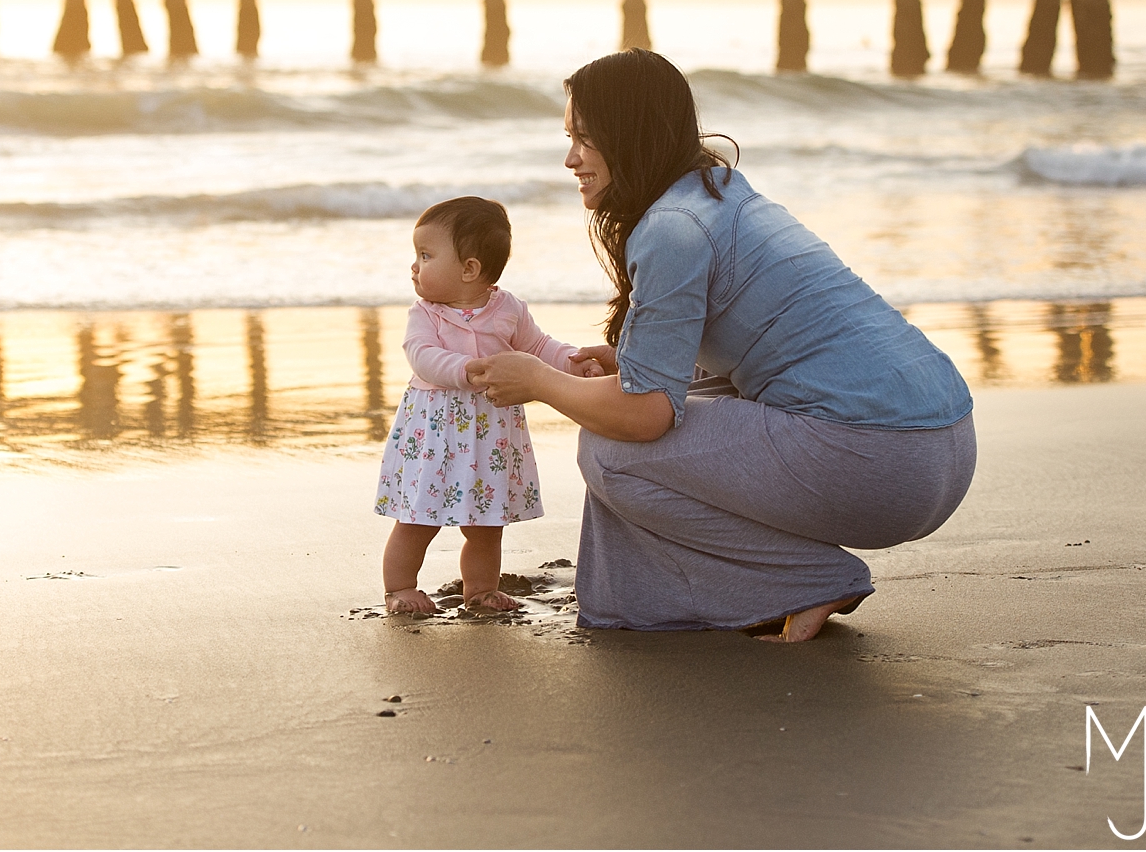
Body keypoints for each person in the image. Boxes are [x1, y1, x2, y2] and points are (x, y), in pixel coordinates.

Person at [465, 50, 976, 642]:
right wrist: (631, 364)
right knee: (666, 397)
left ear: (629, 135)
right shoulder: (720, 190)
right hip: (944, 443)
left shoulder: (672, 228)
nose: (571, 158)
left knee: (609, 449)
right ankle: (656, 596)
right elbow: (750, 354)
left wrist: (540, 380)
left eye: (585, 138)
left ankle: (808, 580)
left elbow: (646, 416)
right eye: (569, 137)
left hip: (882, 460)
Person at [375, 196, 604, 615]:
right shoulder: (425, 313)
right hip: (435, 436)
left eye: (425, 255)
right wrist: (467, 369)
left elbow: (538, 347)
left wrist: (574, 363)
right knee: (417, 519)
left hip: (488, 438)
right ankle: (400, 588)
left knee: (485, 524)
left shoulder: (508, 309)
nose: (414, 266)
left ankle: (480, 590)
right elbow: (420, 354)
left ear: (470, 269)